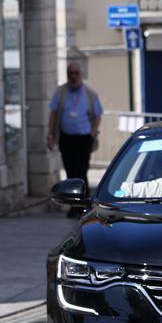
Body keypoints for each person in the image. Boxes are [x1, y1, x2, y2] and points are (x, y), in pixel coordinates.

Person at [47, 63, 103, 216]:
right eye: (70, 73)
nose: (73, 76)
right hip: (66, 138)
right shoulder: (61, 92)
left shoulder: (90, 93)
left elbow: (98, 114)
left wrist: (92, 133)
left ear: (81, 74)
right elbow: (53, 113)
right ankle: (73, 207)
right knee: (70, 172)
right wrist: (50, 135)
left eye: (76, 73)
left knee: (82, 172)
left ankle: (83, 205)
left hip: (84, 139)